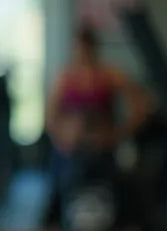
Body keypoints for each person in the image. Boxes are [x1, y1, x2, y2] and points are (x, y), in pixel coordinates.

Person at [45, 24, 149, 210]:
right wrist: (62, 139)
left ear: (94, 48)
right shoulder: (65, 77)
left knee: (110, 198)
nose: (82, 53)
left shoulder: (109, 75)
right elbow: (50, 118)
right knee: (65, 198)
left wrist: (118, 134)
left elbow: (142, 106)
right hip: (72, 152)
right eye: (78, 47)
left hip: (102, 151)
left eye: (86, 48)